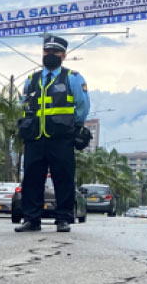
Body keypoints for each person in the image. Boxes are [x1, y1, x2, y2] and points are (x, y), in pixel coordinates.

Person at [14, 35, 90, 233]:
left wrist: (77, 126)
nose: (50, 55)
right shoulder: (32, 79)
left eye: (55, 52)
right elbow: (25, 105)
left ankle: (63, 219)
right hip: (35, 137)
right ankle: (31, 219)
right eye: (47, 51)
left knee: (63, 179)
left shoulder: (72, 77)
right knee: (31, 179)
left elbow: (82, 105)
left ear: (64, 55)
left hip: (61, 137)